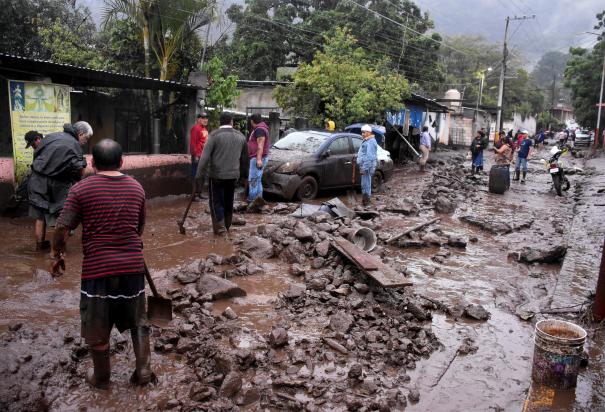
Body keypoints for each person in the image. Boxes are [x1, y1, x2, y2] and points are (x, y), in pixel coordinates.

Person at [50, 139, 151, 389]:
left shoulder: (81, 189)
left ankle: (102, 378)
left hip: (97, 269)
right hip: (132, 267)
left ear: (92, 162)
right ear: (122, 162)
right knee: (138, 320)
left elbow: (62, 227)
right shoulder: (137, 188)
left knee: (97, 326)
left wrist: (57, 254)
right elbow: (139, 228)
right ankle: (144, 371)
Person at [27, 122, 92, 251]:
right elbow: (80, 171)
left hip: (37, 180)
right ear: (80, 134)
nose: (85, 141)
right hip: (59, 185)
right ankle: (58, 251)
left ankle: (39, 247)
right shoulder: (75, 145)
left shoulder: (50, 137)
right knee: (62, 216)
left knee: (40, 215)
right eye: (86, 138)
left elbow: (36, 156)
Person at [196, 112, 248, 235]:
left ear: (220, 122)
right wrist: (245, 176)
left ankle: (220, 228)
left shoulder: (214, 135)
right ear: (231, 122)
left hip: (217, 176)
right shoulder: (241, 136)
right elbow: (245, 159)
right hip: (233, 176)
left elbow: (204, 158)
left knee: (216, 202)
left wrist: (198, 175)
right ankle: (227, 225)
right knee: (229, 200)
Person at [246, 113, 270, 212]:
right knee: (258, 180)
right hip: (259, 157)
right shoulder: (262, 128)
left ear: (252, 121)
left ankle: (252, 202)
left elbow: (260, 145)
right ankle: (259, 203)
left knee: (253, 180)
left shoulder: (259, 129)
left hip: (257, 158)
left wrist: (258, 159)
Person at [357, 124, 378, 206]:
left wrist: (364, 168)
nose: (362, 134)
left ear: (369, 132)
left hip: (367, 167)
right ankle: (365, 201)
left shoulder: (371, 142)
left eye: (364, 132)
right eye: (362, 132)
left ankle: (367, 202)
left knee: (366, 184)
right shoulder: (367, 140)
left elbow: (369, 157)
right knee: (365, 184)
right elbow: (364, 153)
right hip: (364, 165)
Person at [189, 112, 209, 198]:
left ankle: (199, 193)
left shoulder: (204, 129)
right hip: (197, 155)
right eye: (203, 118)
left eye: (206, 118)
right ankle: (194, 195)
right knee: (195, 175)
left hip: (204, 155)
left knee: (202, 175)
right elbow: (193, 143)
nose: (205, 120)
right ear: (198, 119)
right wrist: (195, 155)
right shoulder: (195, 128)